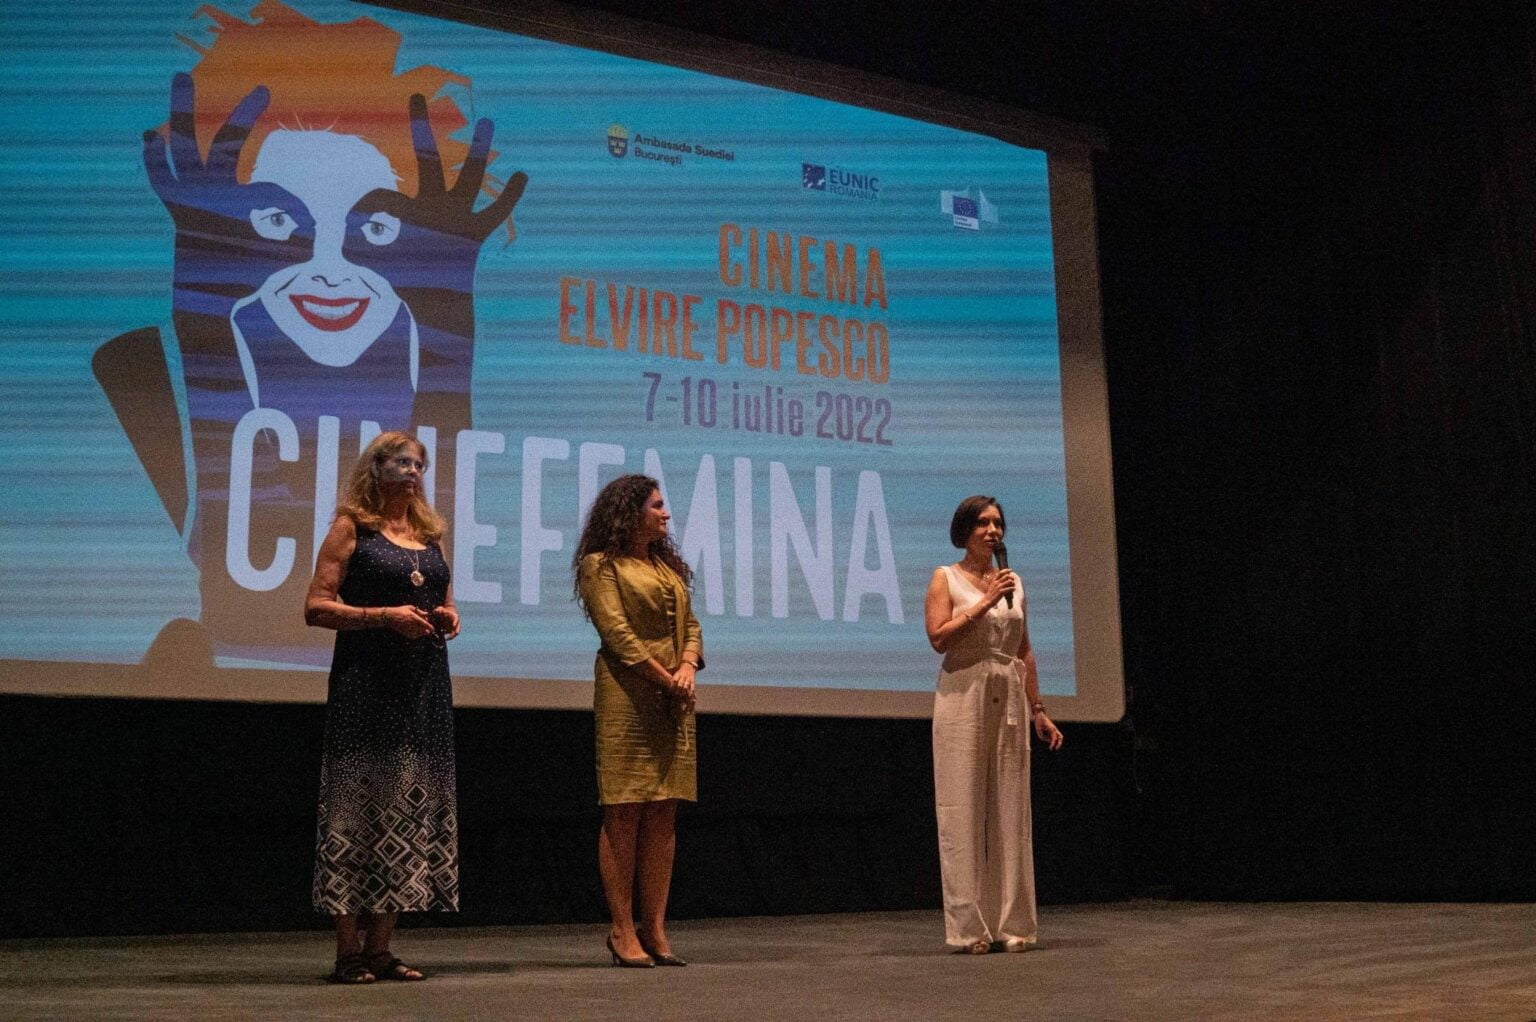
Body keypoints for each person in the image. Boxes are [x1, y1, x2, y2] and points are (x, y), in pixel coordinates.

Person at [303, 431, 461, 983]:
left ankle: (381, 948)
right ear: (376, 468)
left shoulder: (430, 535)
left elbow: (444, 599)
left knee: (408, 809)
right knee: (357, 811)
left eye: (419, 463)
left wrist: (449, 616)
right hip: (366, 688)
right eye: (402, 462)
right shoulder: (353, 528)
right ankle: (348, 952)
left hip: (423, 688)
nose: (413, 471)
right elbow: (316, 606)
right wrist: (383, 617)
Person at [924, 495, 1064, 955]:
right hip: (963, 694)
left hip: (1009, 695)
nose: (993, 530)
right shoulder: (945, 577)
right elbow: (938, 638)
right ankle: (969, 929)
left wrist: (1038, 709)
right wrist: (985, 602)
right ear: (964, 530)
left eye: (998, 523)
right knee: (962, 808)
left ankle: (1013, 923)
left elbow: (1024, 649)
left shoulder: (1014, 581)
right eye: (983, 523)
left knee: (1011, 810)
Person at [573, 475, 702, 968]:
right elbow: (618, 634)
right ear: (629, 513)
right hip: (627, 694)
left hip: (674, 699)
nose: (666, 513)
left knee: (664, 810)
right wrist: (666, 679)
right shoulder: (600, 565)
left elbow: (691, 625)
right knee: (624, 810)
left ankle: (656, 926)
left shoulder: (666, 566)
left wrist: (686, 667)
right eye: (657, 505)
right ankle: (622, 928)